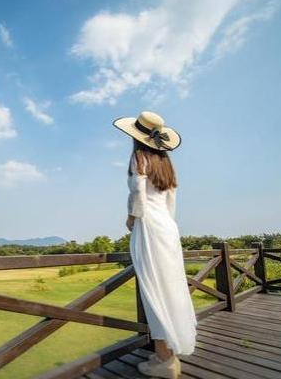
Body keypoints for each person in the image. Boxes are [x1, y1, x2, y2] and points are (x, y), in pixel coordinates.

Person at [113, 111, 197, 378]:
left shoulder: (139, 157)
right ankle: (167, 353)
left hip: (148, 227)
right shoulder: (166, 163)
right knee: (170, 288)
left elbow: (138, 192)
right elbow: (171, 202)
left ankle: (165, 361)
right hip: (168, 229)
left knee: (153, 290)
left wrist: (131, 217)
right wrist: (166, 224)